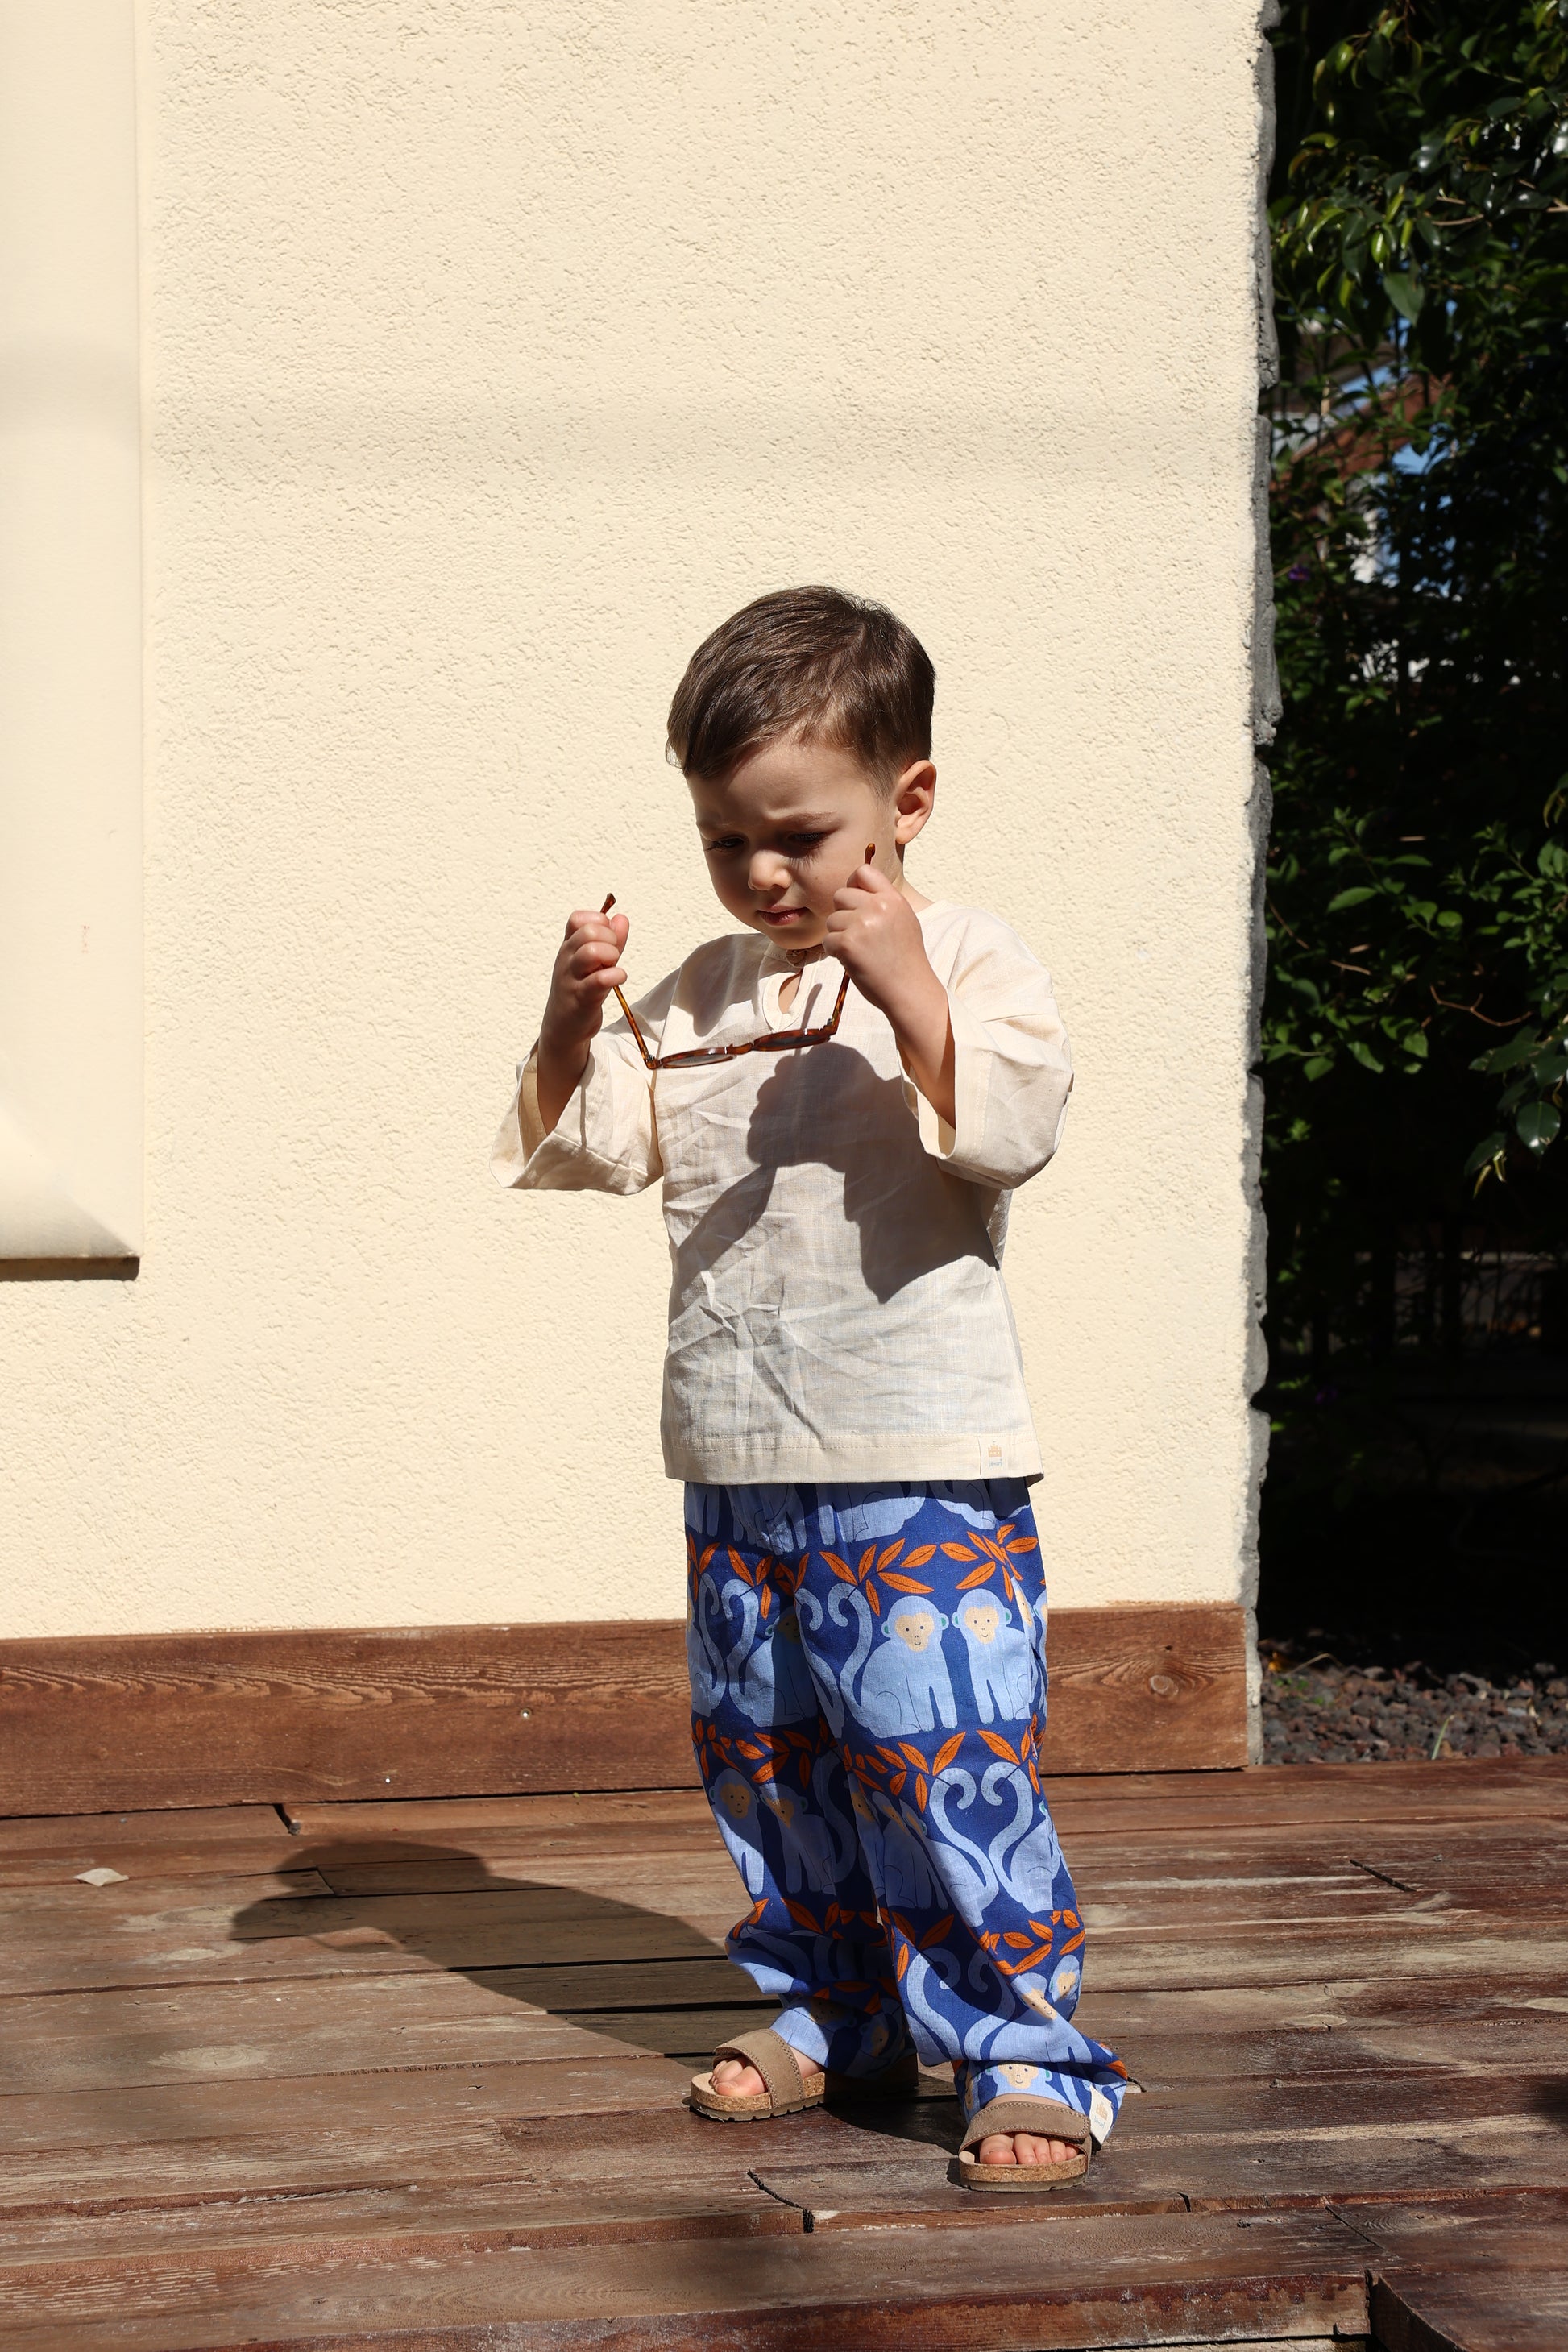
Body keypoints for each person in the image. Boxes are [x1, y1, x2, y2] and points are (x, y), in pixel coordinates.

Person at [491, 586, 1129, 2188]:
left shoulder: (970, 953)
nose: (762, 873)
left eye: (799, 834)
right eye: (724, 840)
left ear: (906, 799)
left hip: (919, 1452)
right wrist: (569, 1022)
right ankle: (831, 2008)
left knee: (939, 1758)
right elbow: (596, 1143)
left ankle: (1025, 2049)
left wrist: (904, 979)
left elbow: (1010, 1129)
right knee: (769, 1759)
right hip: (737, 1453)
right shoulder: (701, 989)